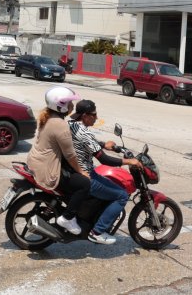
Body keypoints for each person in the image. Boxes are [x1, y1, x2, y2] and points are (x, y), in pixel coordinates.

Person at [67, 99, 143, 245]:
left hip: (74, 171)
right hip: (86, 175)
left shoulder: (73, 125)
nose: (96, 118)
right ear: (85, 116)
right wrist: (129, 161)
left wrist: (103, 145)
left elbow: (88, 143)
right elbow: (105, 160)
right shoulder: (85, 133)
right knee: (121, 195)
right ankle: (97, 232)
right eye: (94, 115)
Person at [24, 87, 90, 234]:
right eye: (70, 103)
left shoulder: (48, 117)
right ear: (61, 105)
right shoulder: (60, 124)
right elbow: (70, 155)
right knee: (84, 184)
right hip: (47, 170)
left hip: (36, 162)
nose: (73, 106)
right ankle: (67, 218)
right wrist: (81, 171)